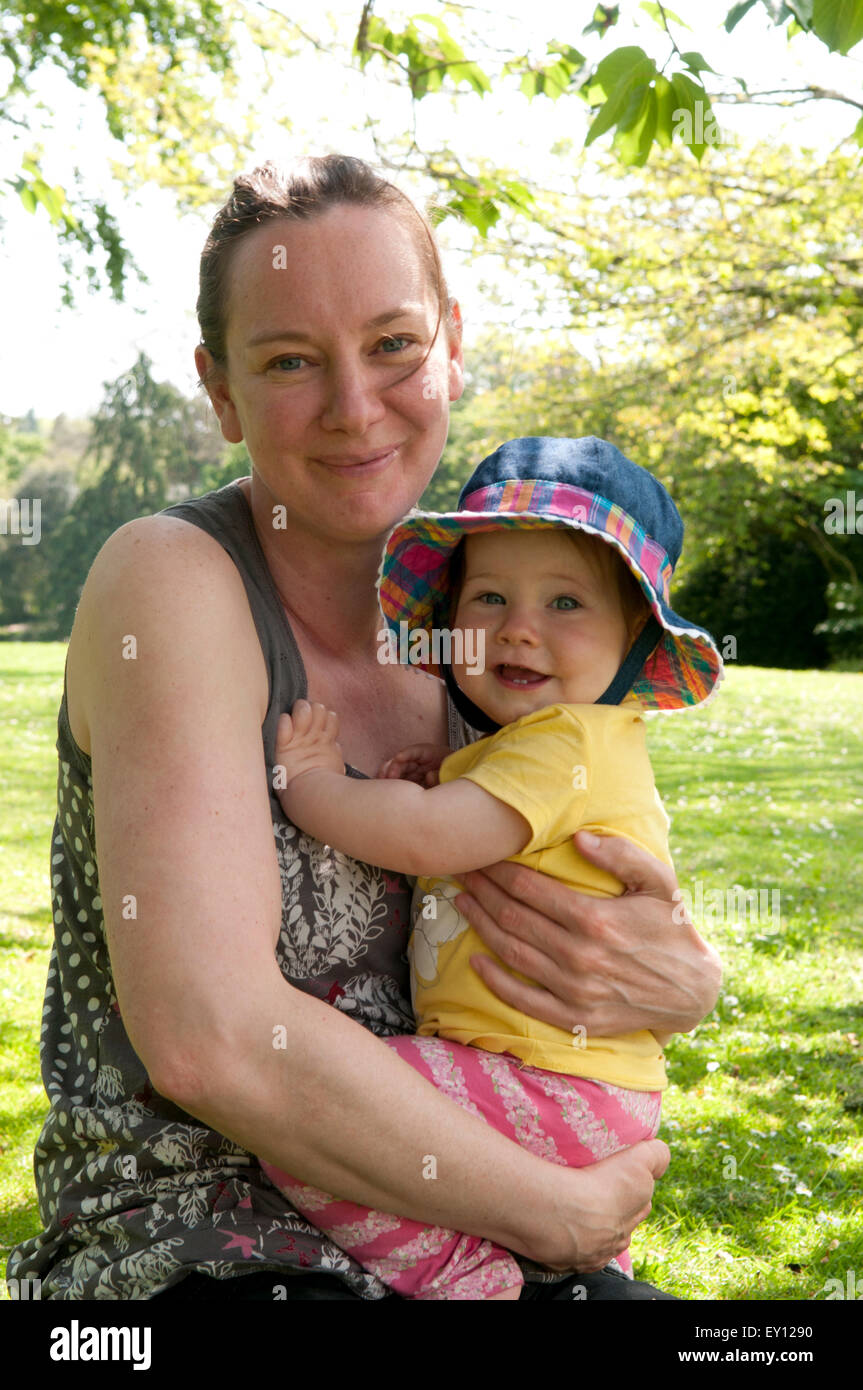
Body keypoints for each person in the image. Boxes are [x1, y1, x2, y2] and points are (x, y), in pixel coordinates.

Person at [6, 156, 720, 1301]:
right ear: (221, 390)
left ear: (448, 341)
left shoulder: (485, 636)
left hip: (468, 1224)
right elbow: (209, 1038)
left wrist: (683, 976)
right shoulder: (172, 582)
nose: (353, 406)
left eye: (392, 345)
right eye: (290, 360)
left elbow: (593, 860)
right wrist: (560, 1211)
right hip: (209, 1244)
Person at [258, 434, 723, 1299]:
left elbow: (430, 839)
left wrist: (316, 785)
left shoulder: (567, 743)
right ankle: (562, 1266)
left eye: (565, 603)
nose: (518, 627)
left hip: (550, 1082)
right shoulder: (534, 747)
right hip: (570, 1090)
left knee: (313, 1121)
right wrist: (446, 774)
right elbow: (476, 818)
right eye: (490, 597)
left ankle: (465, 1282)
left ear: (633, 639)